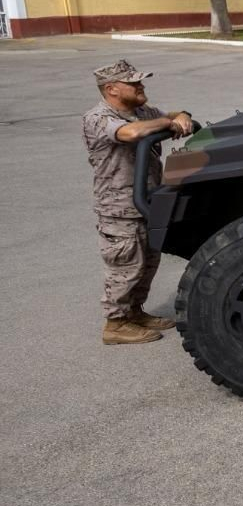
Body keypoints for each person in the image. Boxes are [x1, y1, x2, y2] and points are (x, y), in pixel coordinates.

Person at [82, 60, 196, 345]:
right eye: (133, 83)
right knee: (125, 266)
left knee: (147, 263)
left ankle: (134, 312)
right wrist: (168, 123)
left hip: (147, 200)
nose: (141, 86)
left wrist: (182, 116)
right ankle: (115, 324)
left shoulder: (142, 112)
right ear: (112, 89)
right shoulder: (98, 118)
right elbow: (131, 133)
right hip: (118, 207)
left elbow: (172, 115)